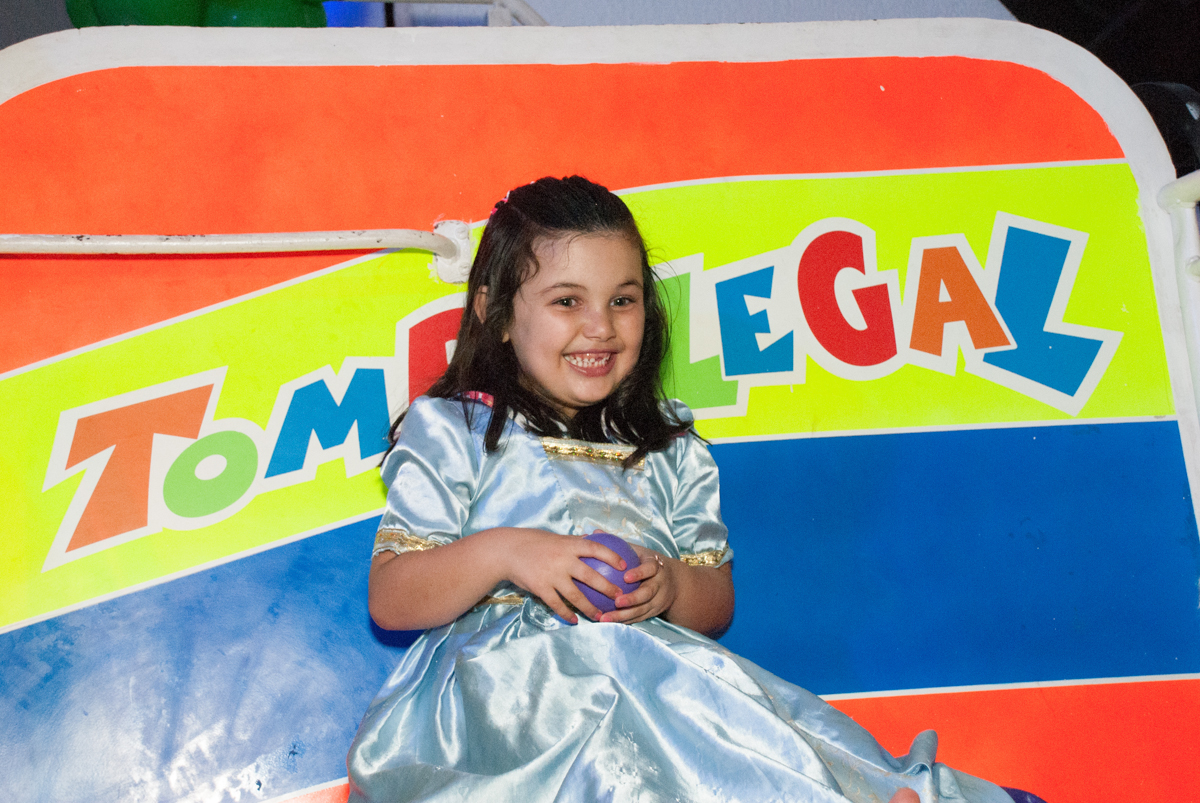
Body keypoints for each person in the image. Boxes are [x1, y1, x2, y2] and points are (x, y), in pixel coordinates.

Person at [347, 176, 1013, 803]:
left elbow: (715, 601)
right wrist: (507, 553)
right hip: (504, 711)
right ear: (494, 312)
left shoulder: (667, 446)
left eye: (623, 299)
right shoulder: (458, 428)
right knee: (607, 686)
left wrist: (666, 587)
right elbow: (393, 596)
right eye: (566, 301)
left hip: (656, 686)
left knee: (752, 737)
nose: (601, 327)